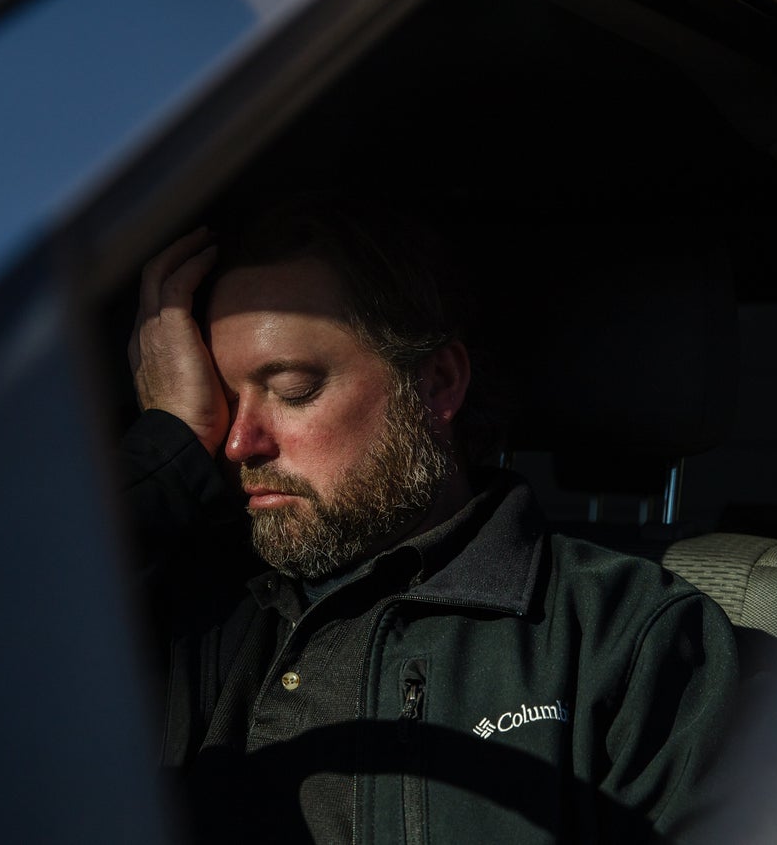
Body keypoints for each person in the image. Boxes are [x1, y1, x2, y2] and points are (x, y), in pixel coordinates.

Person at [116, 191, 741, 844]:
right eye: (221, 399)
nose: (240, 442)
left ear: (439, 381)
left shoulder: (626, 638)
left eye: (293, 389)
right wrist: (169, 441)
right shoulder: (179, 618)